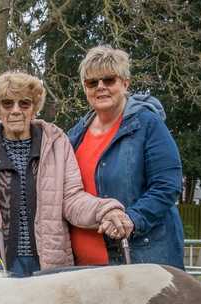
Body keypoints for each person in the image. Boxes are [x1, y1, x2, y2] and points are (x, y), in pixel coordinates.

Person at [0, 70, 129, 277]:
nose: (16, 110)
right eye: (8, 103)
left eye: (24, 103)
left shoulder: (56, 142)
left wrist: (105, 211)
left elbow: (72, 199)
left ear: (34, 108)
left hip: (49, 262)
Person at [67, 46, 184, 268]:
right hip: (84, 270)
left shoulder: (148, 125)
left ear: (125, 83)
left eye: (109, 80)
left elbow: (167, 185)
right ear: (85, 88)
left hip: (137, 262)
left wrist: (131, 219)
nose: (101, 87)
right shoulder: (75, 135)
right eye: (92, 83)